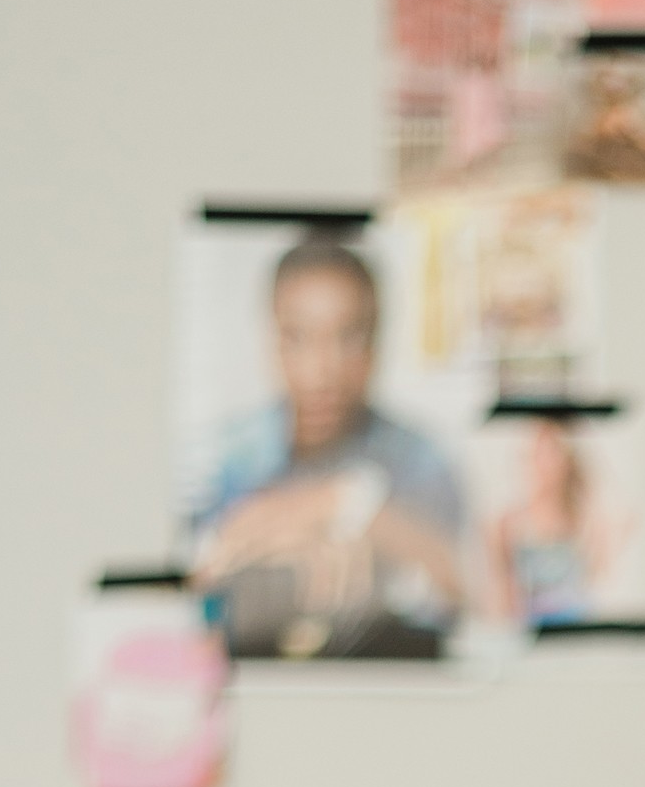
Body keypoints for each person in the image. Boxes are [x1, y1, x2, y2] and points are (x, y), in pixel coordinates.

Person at [190, 236, 467, 659]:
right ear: (272, 340)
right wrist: (285, 532)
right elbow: (187, 582)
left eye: (348, 337)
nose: (323, 368)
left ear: (375, 344)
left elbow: (466, 593)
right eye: (299, 337)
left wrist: (350, 504)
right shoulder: (225, 452)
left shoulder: (420, 458)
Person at [486, 416, 630, 628]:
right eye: (536, 453)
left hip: (577, 633)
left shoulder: (585, 520)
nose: (541, 462)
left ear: (567, 459)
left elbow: (623, 519)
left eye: (551, 452)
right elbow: (503, 596)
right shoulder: (509, 523)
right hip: (531, 634)